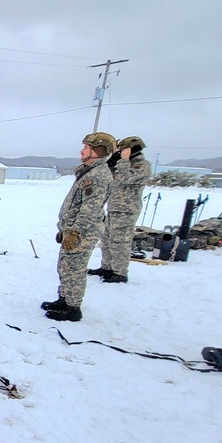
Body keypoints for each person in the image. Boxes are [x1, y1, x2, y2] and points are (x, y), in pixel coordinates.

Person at [41, 132, 115, 322]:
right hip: (74, 229)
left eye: (86, 147)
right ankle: (65, 299)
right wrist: (65, 229)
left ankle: (73, 308)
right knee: (66, 266)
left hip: (82, 231)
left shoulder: (97, 175)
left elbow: (89, 210)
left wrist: (74, 232)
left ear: (97, 150)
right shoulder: (89, 171)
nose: (82, 151)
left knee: (74, 268)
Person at [89, 136, 151, 283]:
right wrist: (112, 161)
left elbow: (125, 179)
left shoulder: (141, 165)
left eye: (122, 150)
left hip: (127, 210)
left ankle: (120, 272)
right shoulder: (123, 164)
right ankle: (107, 267)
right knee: (107, 239)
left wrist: (123, 161)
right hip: (113, 207)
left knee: (120, 242)